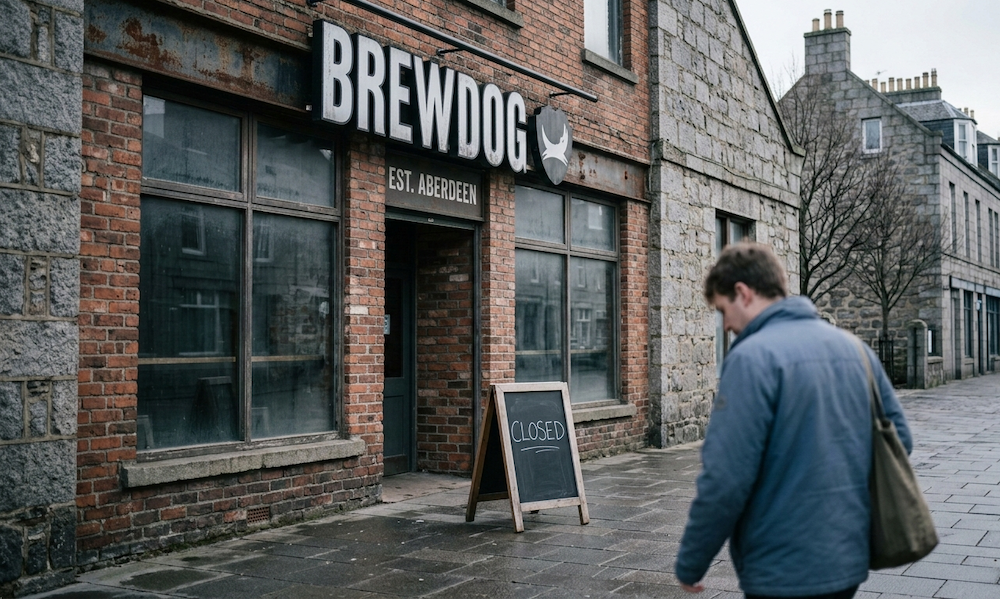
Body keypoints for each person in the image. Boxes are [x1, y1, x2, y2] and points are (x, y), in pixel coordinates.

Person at [674, 242, 912, 599]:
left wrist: (691, 562)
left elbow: (725, 477)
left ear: (743, 293)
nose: (725, 326)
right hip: (847, 556)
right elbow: (900, 440)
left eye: (723, 310)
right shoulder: (855, 349)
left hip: (780, 566)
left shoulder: (751, 359)